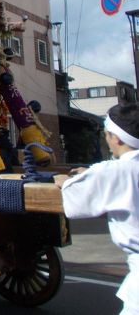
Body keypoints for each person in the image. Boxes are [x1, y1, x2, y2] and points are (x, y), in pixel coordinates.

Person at [54, 103, 139, 315]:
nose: (107, 140)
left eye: (107, 134)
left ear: (116, 138)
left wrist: (64, 182)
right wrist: (92, 172)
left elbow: (77, 202)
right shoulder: (112, 170)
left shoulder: (112, 171)